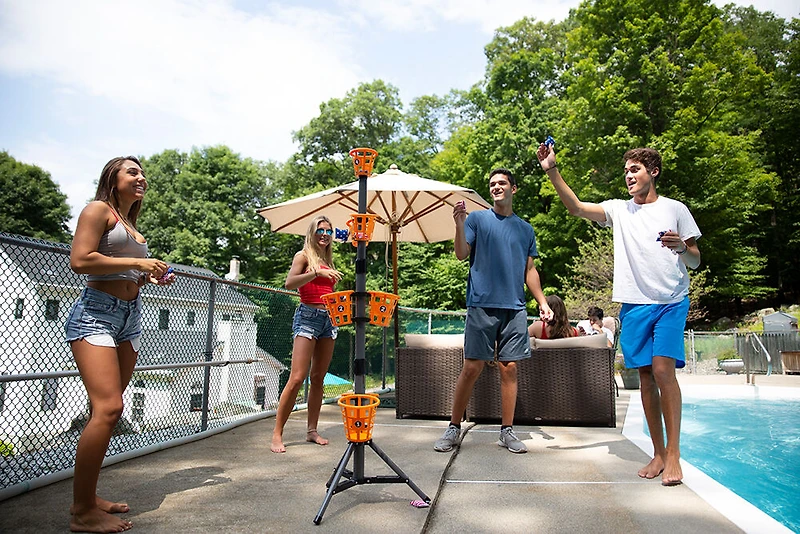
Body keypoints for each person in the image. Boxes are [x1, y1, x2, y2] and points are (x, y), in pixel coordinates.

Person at [537, 144, 701, 486]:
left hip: (672, 300)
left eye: (635, 170)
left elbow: (696, 259)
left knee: (662, 370)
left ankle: (674, 454)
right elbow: (577, 208)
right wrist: (552, 170)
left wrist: (683, 247)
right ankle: (658, 452)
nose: (628, 176)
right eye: (626, 171)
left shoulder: (676, 209)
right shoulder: (619, 210)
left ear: (652, 172)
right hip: (634, 303)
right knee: (644, 377)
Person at [66, 156, 175, 533]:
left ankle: (88, 495)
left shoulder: (130, 224)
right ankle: (82, 512)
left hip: (129, 318)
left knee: (106, 412)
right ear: (112, 178)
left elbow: (124, 270)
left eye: (143, 172)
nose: (141, 177)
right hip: (96, 315)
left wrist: (147, 277)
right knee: (110, 409)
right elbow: (80, 261)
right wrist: (139, 264)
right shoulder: (99, 210)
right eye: (132, 171)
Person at [434, 168, 553, 455]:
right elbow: (461, 254)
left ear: (514, 188)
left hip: (514, 308)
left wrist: (543, 301)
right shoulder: (476, 219)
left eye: (501, 183)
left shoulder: (525, 229)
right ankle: (453, 428)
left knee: (509, 368)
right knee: (472, 367)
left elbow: (530, 270)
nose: (496, 187)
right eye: (492, 184)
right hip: (481, 305)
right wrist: (460, 223)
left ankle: (506, 432)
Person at [271, 215, 343, 453]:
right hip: (308, 318)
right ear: (312, 233)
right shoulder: (303, 257)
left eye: (328, 231)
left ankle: (312, 430)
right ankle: (277, 434)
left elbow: (323, 290)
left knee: (319, 377)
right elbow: (290, 283)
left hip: (329, 319)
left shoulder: (328, 260)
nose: (325, 235)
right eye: (320, 230)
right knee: (297, 377)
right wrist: (316, 274)